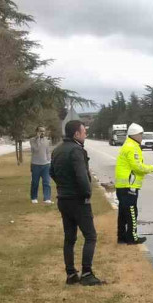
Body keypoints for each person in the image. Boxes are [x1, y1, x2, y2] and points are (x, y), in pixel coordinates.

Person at [50, 120, 103, 286]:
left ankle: (71, 273)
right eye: (84, 132)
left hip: (63, 199)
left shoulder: (57, 150)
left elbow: (52, 172)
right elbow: (82, 176)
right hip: (78, 200)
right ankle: (87, 273)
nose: (85, 134)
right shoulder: (76, 150)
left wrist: (63, 186)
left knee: (69, 238)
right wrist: (87, 193)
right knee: (90, 236)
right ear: (76, 134)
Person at [114, 123, 153, 245]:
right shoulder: (132, 147)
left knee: (123, 213)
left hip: (122, 186)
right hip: (130, 186)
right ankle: (132, 238)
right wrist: (151, 168)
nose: (142, 136)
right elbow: (137, 166)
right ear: (134, 134)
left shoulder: (127, 145)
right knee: (132, 212)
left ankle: (121, 236)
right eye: (140, 134)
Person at [30, 126, 53, 204]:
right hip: (35, 164)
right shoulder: (32, 140)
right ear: (36, 132)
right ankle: (34, 197)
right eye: (40, 131)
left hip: (46, 165)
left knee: (46, 182)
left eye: (43, 131)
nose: (42, 132)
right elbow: (36, 149)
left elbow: (48, 151)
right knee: (35, 182)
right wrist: (38, 139)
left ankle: (47, 198)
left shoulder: (47, 140)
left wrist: (49, 160)